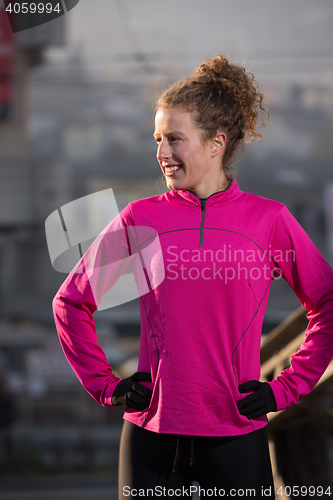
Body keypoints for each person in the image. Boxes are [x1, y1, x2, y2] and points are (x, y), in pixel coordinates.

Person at [53, 55, 333, 499]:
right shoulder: (138, 218)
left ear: (216, 143)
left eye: (175, 140)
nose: (162, 153)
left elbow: (328, 304)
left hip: (237, 437)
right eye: (158, 139)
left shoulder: (269, 220)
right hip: (150, 438)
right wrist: (105, 385)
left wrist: (286, 389)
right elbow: (71, 302)